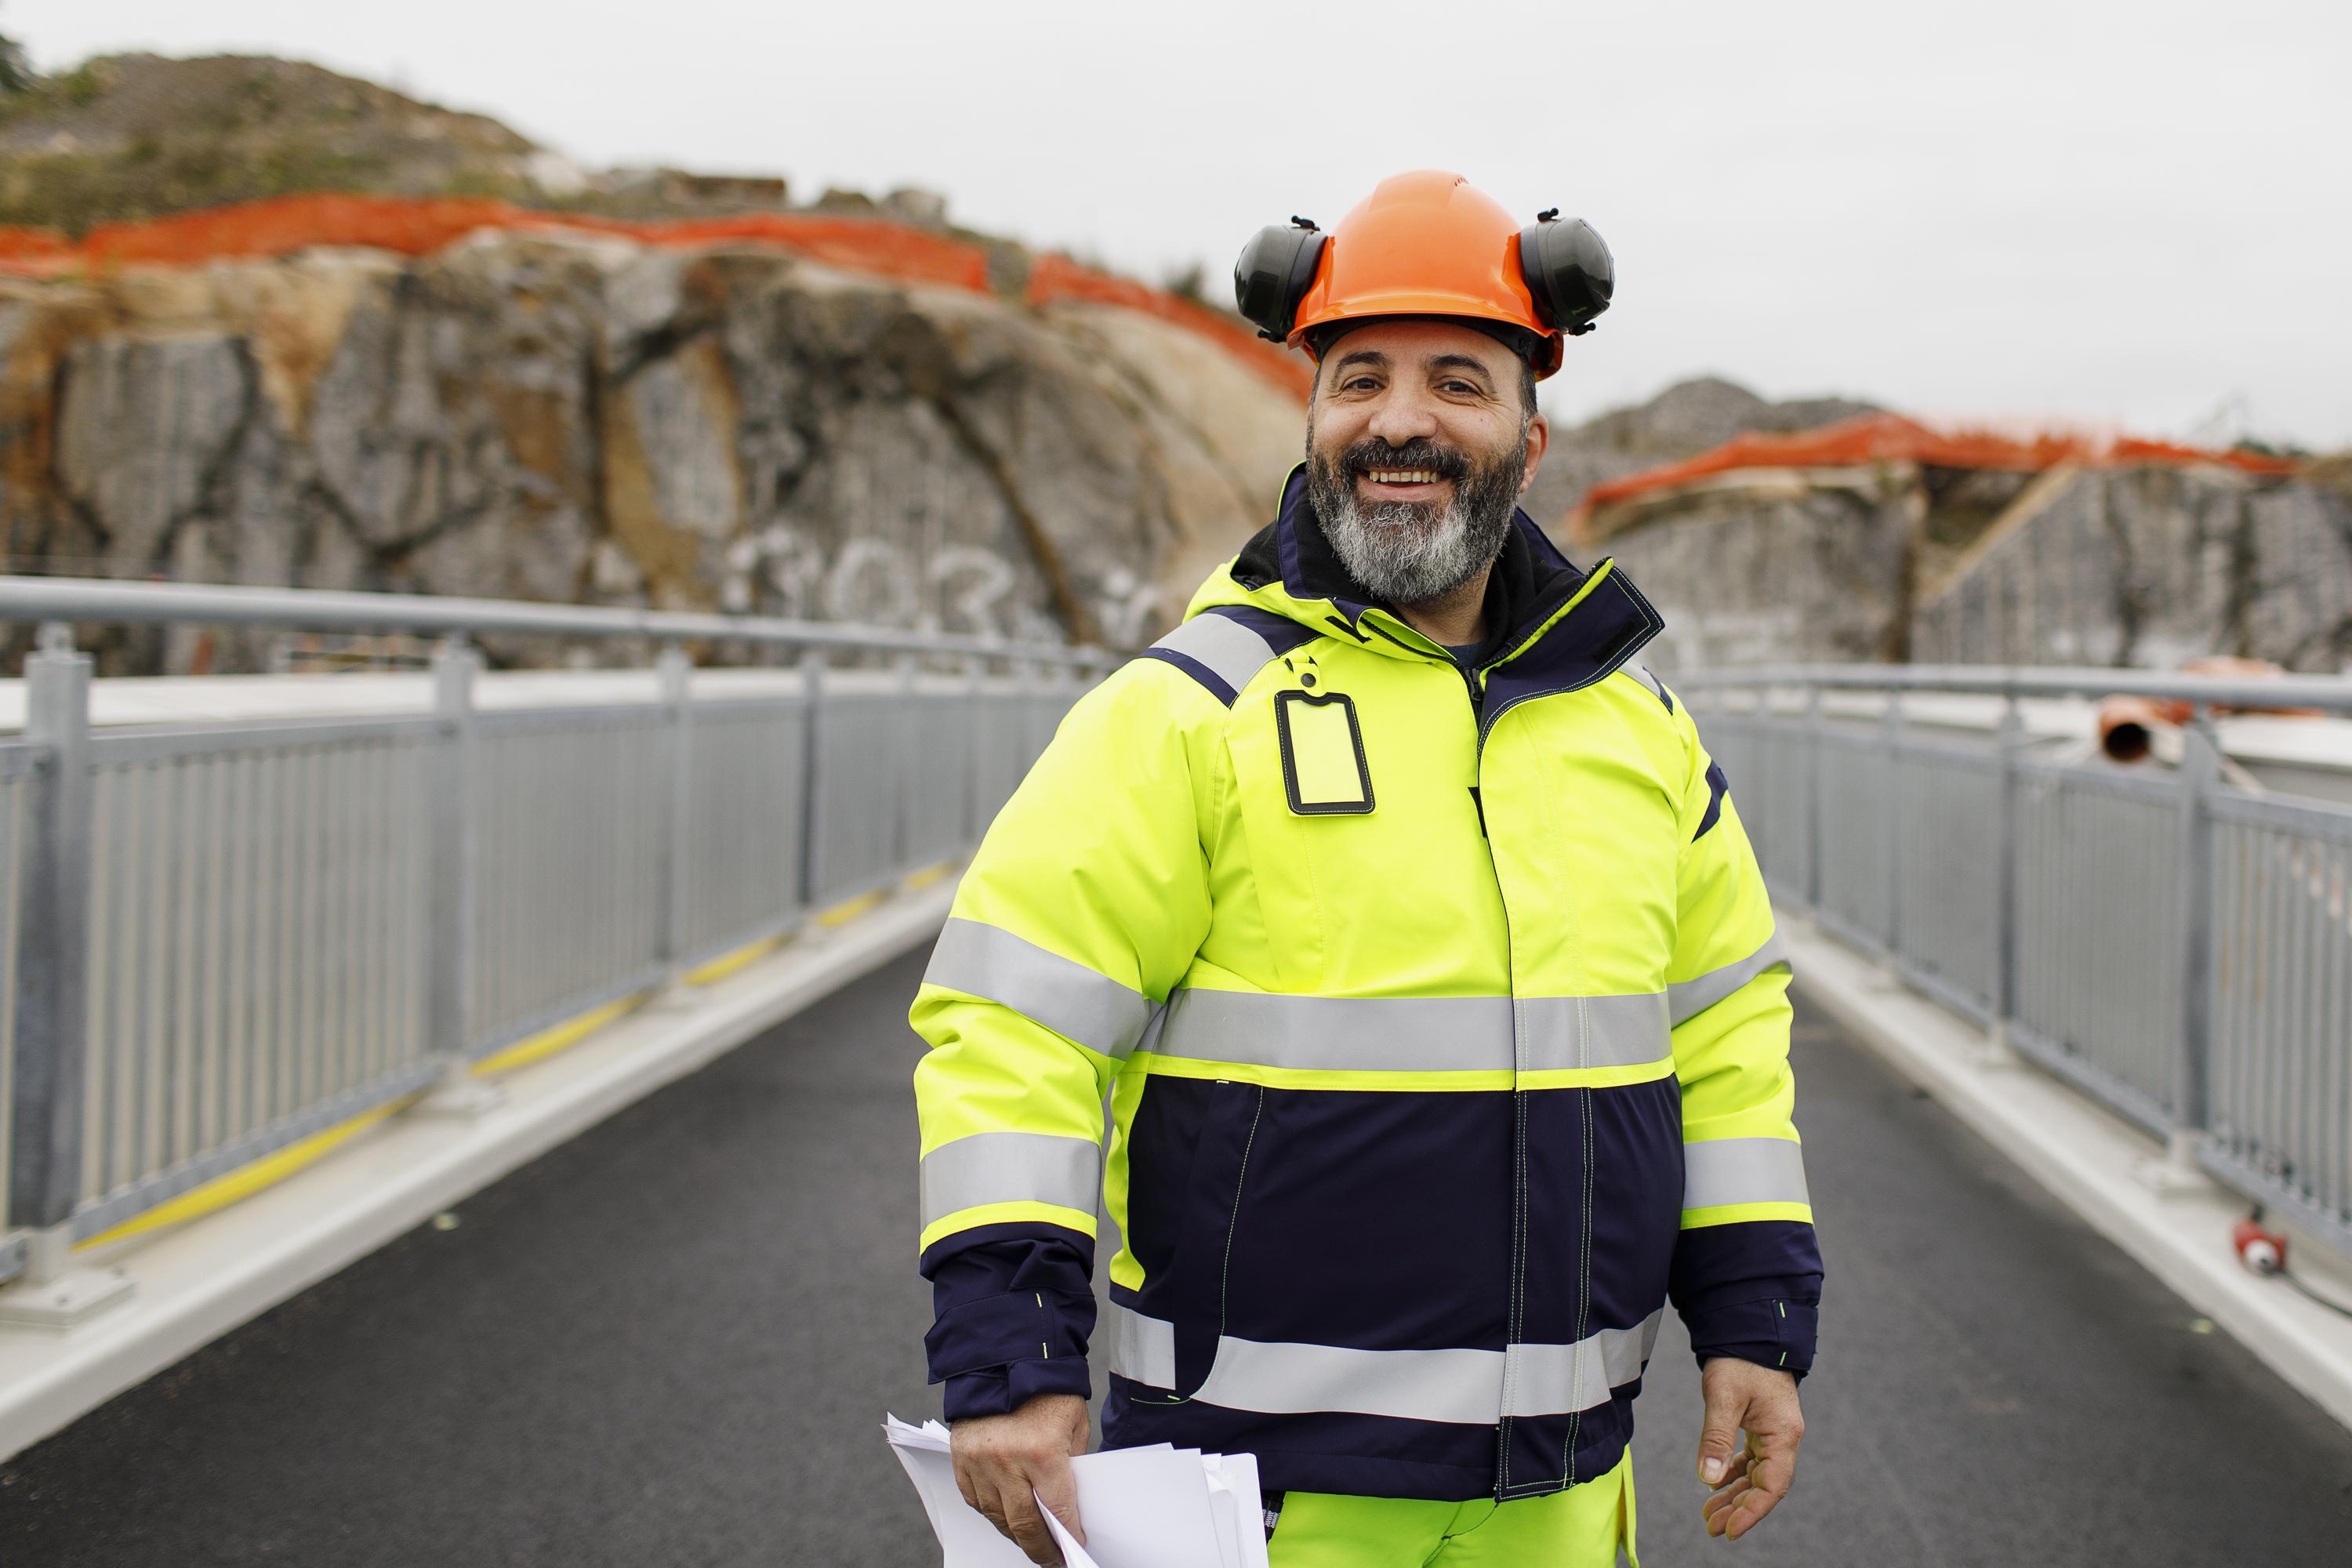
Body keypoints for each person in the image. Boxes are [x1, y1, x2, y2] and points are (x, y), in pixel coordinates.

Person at [909, 170, 1820, 1566]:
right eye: (1358, 379)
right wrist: (1013, 1352)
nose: (1400, 420)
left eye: (1458, 380)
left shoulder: (1636, 731)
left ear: (1530, 426)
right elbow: (1013, 1025)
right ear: (1315, 415)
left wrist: (1753, 1310)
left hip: (1565, 1497)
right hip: (1260, 1504)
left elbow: (1723, 1031)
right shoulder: (1187, 712)